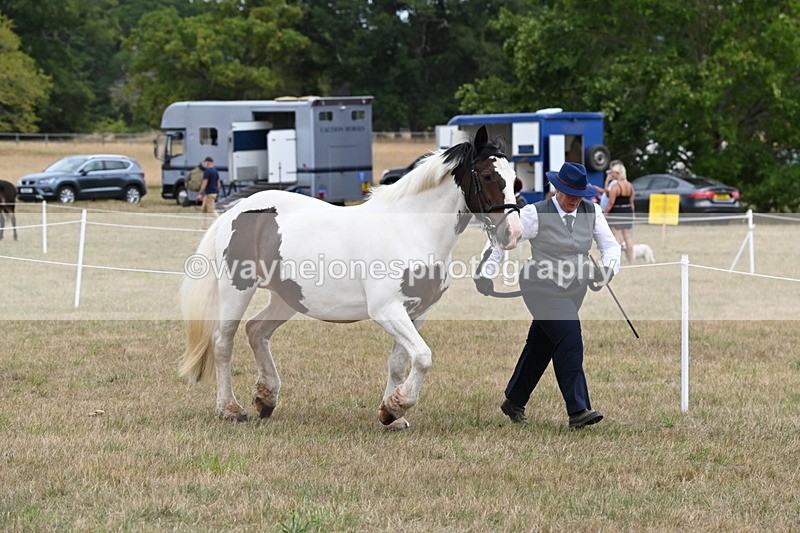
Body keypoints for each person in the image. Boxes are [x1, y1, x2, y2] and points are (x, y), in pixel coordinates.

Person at [475, 162, 621, 429]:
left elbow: (610, 245)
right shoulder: (534, 214)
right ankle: (578, 410)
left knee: (542, 345)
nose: (575, 200)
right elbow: (502, 236)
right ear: (557, 189)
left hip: (574, 289)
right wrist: (486, 271)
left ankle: (514, 400)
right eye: (569, 194)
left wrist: (608, 270)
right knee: (569, 336)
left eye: (580, 195)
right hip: (540, 287)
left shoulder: (593, 211)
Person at [603, 160, 635, 263]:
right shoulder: (629, 185)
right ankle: (631, 260)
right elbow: (631, 202)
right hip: (628, 211)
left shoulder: (615, 187)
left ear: (618, 173)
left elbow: (610, 202)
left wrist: (605, 213)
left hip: (617, 211)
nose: (611, 174)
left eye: (613, 172)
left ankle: (617, 260)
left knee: (617, 237)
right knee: (628, 237)